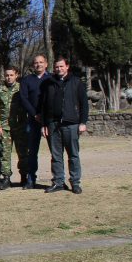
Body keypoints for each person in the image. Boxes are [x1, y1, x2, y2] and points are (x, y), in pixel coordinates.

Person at [40, 57, 89, 194]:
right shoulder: (48, 83)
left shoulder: (76, 82)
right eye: (56, 67)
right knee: (56, 156)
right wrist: (44, 124)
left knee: (73, 155)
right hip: (53, 124)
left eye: (61, 66)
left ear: (67, 66)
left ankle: (75, 182)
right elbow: (43, 105)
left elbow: (84, 104)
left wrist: (83, 122)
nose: (59, 69)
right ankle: (58, 182)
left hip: (71, 124)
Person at [19, 55, 50, 189]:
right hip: (32, 121)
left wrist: (45, 116)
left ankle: (58, 179)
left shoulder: (51, 78)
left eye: (41, 62)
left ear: (46, 64)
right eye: (36, 63)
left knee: (55, 151)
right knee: (32, 152)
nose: (38, 65)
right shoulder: (27, 80)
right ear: (33, 65)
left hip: (49, 120)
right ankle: (31, 179)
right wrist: (35, 114)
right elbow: (24, 99)